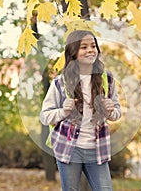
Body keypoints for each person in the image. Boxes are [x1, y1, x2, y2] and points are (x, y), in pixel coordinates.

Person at [39, 30, 121, 191]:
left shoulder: (107, 79)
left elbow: (117, 113)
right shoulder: (60, 82)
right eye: (84, 47)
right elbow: (45, 116)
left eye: (93, 46)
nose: (90, 50)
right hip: (69, 148)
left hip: (97, 148)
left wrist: (111, 111)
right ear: (73, 52)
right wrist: (63, 111)